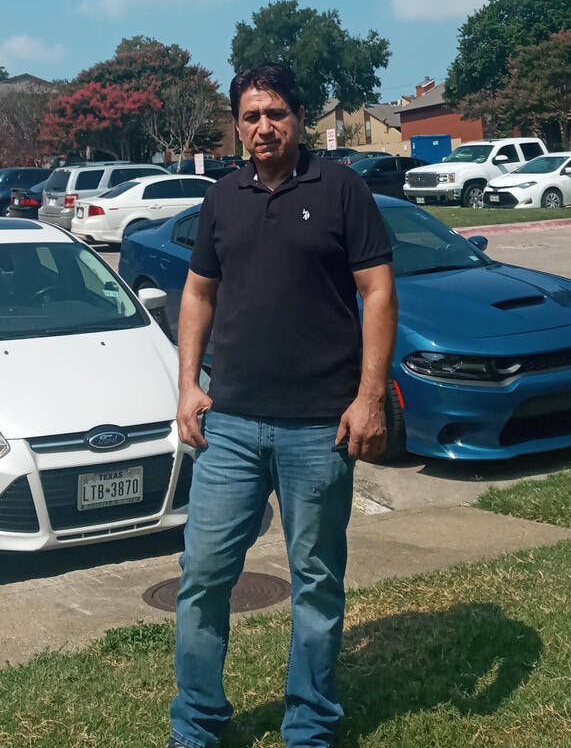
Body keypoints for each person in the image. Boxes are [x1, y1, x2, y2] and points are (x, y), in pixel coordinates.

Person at [167, 62, 398, 748]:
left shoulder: (342, 190)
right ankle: (198, 723)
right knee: (204, 575)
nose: (263, 126)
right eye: (250, 116)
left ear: (299, 118)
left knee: (317, 580)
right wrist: (187, 383)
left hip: (318, 428)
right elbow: (198, 296)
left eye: (275, 113)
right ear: (236, 126)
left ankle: (310, 726)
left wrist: (369, 398)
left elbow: (378, 293)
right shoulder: (223, 197)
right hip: (230, 423)